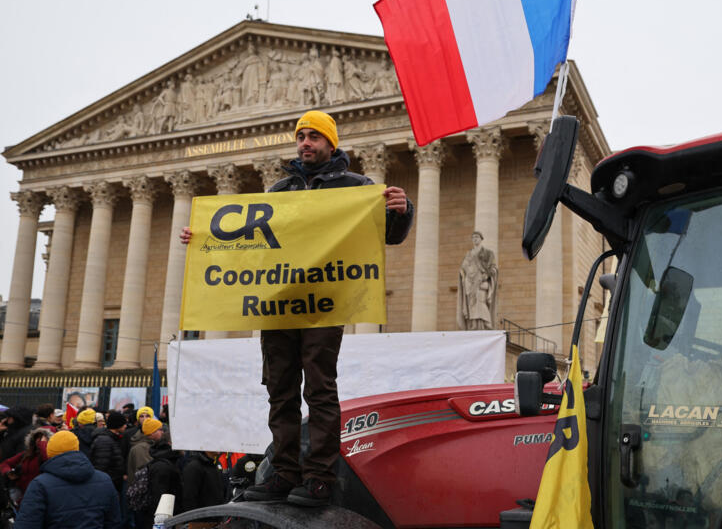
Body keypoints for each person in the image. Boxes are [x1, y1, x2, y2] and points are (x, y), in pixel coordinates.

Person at [180, 109, 414, 507]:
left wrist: (401, 210)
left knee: (320, 388)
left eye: (314, 137)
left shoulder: (356, 187)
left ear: (330, 143)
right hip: (279, 303)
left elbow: (387, 236)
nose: (305, 142)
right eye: (301, 136)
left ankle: (321, 476)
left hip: (324, 301)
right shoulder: (279, 191)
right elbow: (250, 242)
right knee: (280, 389)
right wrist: (205, 240)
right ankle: (284, 473)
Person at [15, 430, 120, 528]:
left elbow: (27, 524)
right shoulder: (104, 479)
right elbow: (113, 521)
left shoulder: (40, 484)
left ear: (50, 452)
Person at [134, 435, 181, 529]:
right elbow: (159, 496)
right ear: (170, 444)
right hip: (160, 516)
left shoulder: (165, 461)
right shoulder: (163, 466)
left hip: (162, 514)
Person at [457, 231, 499, 330]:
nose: (475, 239)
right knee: (471, 305)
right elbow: (463, 268)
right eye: (473, 237)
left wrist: (486, 275)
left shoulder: (488, 253)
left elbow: (494, 268)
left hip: (481, 282)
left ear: (481, 239)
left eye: (477, 237)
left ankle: (487, 324)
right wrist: (463, 275)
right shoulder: (469, 254)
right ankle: (474, 325)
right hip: (470, 283)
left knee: (481, 302)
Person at [0, 427, 51, 507]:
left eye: (42, 438)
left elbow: (47, 460)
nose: (39, 440)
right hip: (22, 493)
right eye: (37, 437)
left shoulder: (49, 456)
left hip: (40, 495)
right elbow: (5, 463)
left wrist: (43, 444)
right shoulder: (26, 454)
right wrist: (8, 472)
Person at [89, 411, 126, 496]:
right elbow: (100, 466)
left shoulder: (112, 438)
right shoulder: (104, 441)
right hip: (107, 486)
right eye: (123, 423)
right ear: (117, 425)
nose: (125, 426)